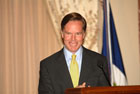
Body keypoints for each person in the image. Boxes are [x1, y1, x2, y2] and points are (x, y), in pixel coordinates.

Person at [38, 12, 110, 94]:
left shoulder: (99, 61)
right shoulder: (47, 65)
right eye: (68, 33)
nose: (73, 39)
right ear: (62, 34)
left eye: (77, 34)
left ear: (84, 35)